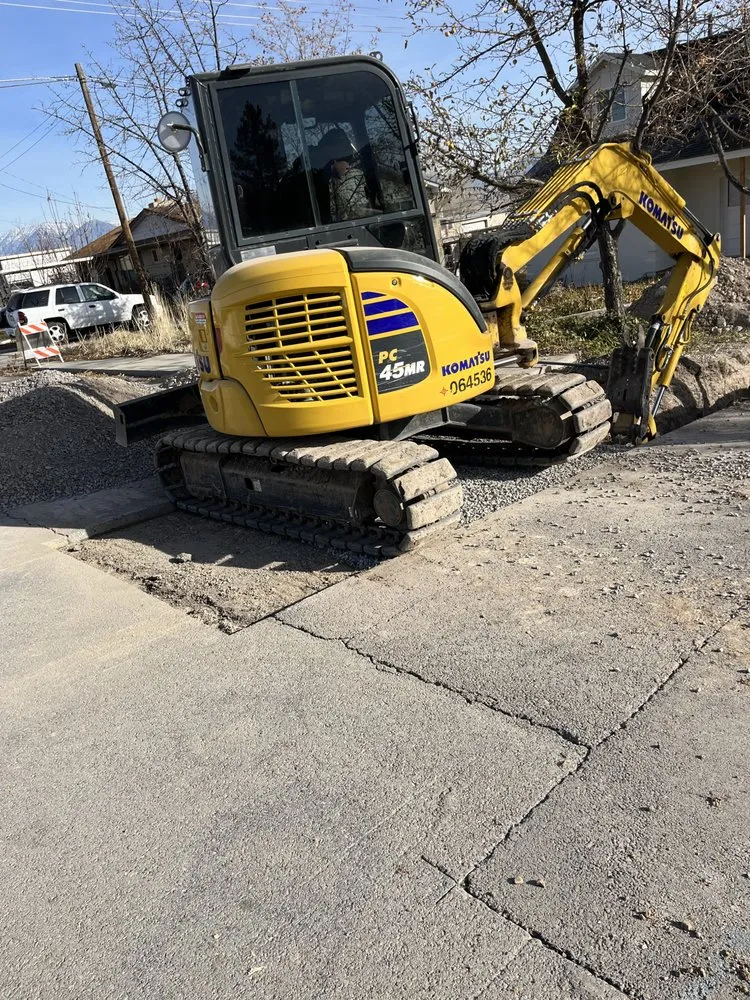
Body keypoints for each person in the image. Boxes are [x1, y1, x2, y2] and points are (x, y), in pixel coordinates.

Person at [315, 128, 372, 222]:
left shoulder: (321, 178)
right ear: (334, 158)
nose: (349, 167)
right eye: (348, 160)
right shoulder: (316, 184)